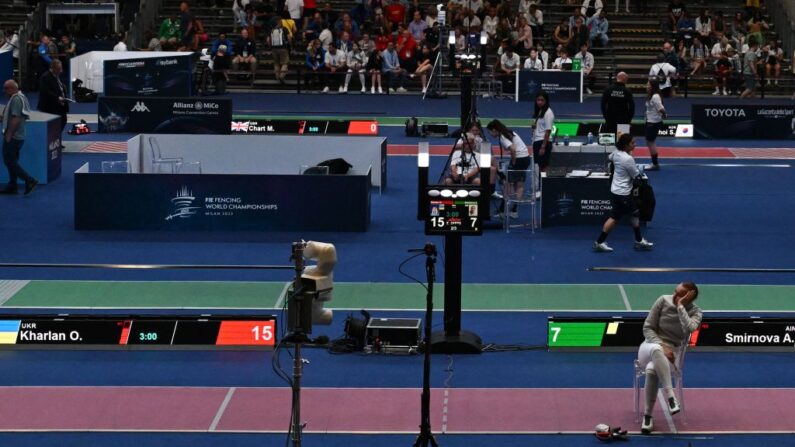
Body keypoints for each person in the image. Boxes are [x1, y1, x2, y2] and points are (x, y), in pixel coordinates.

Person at [638, 282, 702, 434]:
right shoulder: (662, 300)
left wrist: (680, 307)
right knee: (656, 349)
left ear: (690, 296)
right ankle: (671, 396)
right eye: (675, 292)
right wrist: (662, 345)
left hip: (673, 354)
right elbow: (647, 327)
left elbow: (689, 329)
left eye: (680, 294)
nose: (674, 296)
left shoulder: (696, 312)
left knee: (652, 370)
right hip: (649, 346)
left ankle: (647, 416)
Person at [593, 133, 652, 252]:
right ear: (626, 145)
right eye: (632, 143)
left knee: (627, 214)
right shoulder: (628, 159)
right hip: (623, 193)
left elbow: (609, 158)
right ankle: (638, 241)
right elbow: (636, 175)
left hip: (616, 190)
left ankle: (601, 242)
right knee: (625, 215)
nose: (635, 145)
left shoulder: (616, 153)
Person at [487, 119, 532, 218]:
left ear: (494, 130)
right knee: (519, 184)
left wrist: (514, 160)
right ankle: (514, 211)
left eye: (490, 131)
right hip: (526, 158)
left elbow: (513, 148)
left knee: (507, 185)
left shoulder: (503, 137)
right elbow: (516, 146)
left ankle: (503, 211)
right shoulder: (510, 132)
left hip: (519, 160)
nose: (490, 134)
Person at [1, 80, 37, 195]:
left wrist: (9, 134)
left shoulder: (16, 99)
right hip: (19, 136)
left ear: (12, 88)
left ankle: (29, 180)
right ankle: (12, 185)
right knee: (12, 161)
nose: (4, 91)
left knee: (9, 161)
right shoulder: (19, 97)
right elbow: (11, 116)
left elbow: (15, 119)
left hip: (14, 137)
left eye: (6, 88)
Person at [37, 59, 69, 137]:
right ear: (53, 68)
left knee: (63, 121)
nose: (61, 71)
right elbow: (46, 92)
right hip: (50, 106)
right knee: (54, 124)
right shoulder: (46, 77)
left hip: (59, 105)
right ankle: (52, 140)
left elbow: (58, 87)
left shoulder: (56, 76)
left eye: (61, 69)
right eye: (59, 69)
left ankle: (56, 139)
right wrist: (57, 97)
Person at [644, 79, 665, 171]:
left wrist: (664, 115)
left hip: (653, 122)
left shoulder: (655, 96)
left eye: (649, 85)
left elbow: (661, 108)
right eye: (647, 84)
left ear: (653, 86)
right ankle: (655, 163)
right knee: (650, 142)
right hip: (650, 121)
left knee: (650, 142)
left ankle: (655, 164)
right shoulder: (651, 96)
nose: (647, 86)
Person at [531, 90, 554, 172]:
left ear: (546, 101)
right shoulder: (540, 111)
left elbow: (548, 131)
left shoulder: (548, 113)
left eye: (542, 100)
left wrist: (543, 147)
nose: (540, 102)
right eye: (538, 100)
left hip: (543, 143)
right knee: (540, 167)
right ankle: (541, 184)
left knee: (544, 167)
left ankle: (544, 184)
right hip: (537, 141)